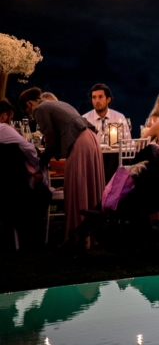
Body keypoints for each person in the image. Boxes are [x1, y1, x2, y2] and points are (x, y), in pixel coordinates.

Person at [20, 88, 105, 243]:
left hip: (79, 143)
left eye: (26, 111)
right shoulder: (58, 104)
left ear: (28, 104)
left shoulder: (40, 109)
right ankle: (93, 237)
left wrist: (39, 163)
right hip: (91, 139)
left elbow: (50, 142)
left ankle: (77, 238)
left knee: (75, 188)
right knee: (89, 187)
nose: (30, 115)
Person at [0, 99, 50, 248]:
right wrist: (39, 165)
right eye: (9, 118)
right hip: (13, 189)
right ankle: (31, 234)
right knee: (44, 192)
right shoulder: (3, 128)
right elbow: (28, 148)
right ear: (4, 116)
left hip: (4, 186)